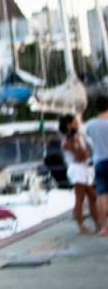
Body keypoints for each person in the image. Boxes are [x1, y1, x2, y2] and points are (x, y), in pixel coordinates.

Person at [59, 114, 99, 234]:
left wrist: (84, 152)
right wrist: (83, 152)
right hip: (77, 169)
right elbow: (79, 156)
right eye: (75, 122)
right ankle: (81, 226)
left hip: (84, 168)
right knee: (80, 198)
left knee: (92, 196)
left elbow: (85, 152)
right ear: (69, 124)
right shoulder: (68, 140)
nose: (77, 123)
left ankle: (97, 223)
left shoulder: (77, 136)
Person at [84, 92, 108, 237]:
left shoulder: (91, 124)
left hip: (99, 160)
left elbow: (87, 139)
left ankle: (104, 227)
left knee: (101, 194)